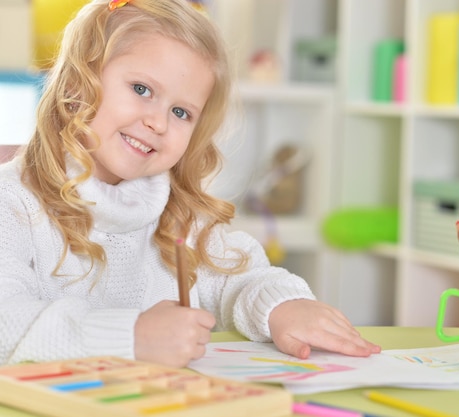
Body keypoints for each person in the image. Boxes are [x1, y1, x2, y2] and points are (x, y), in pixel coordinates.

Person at [0, 0, 380, 368]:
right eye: (141, 89)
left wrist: (283, 306)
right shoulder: (11, 203)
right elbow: (6, 324)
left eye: (181, 112)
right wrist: (130, 338)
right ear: (78, 82)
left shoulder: (177, 211)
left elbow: (241, 277)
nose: (159, 123)